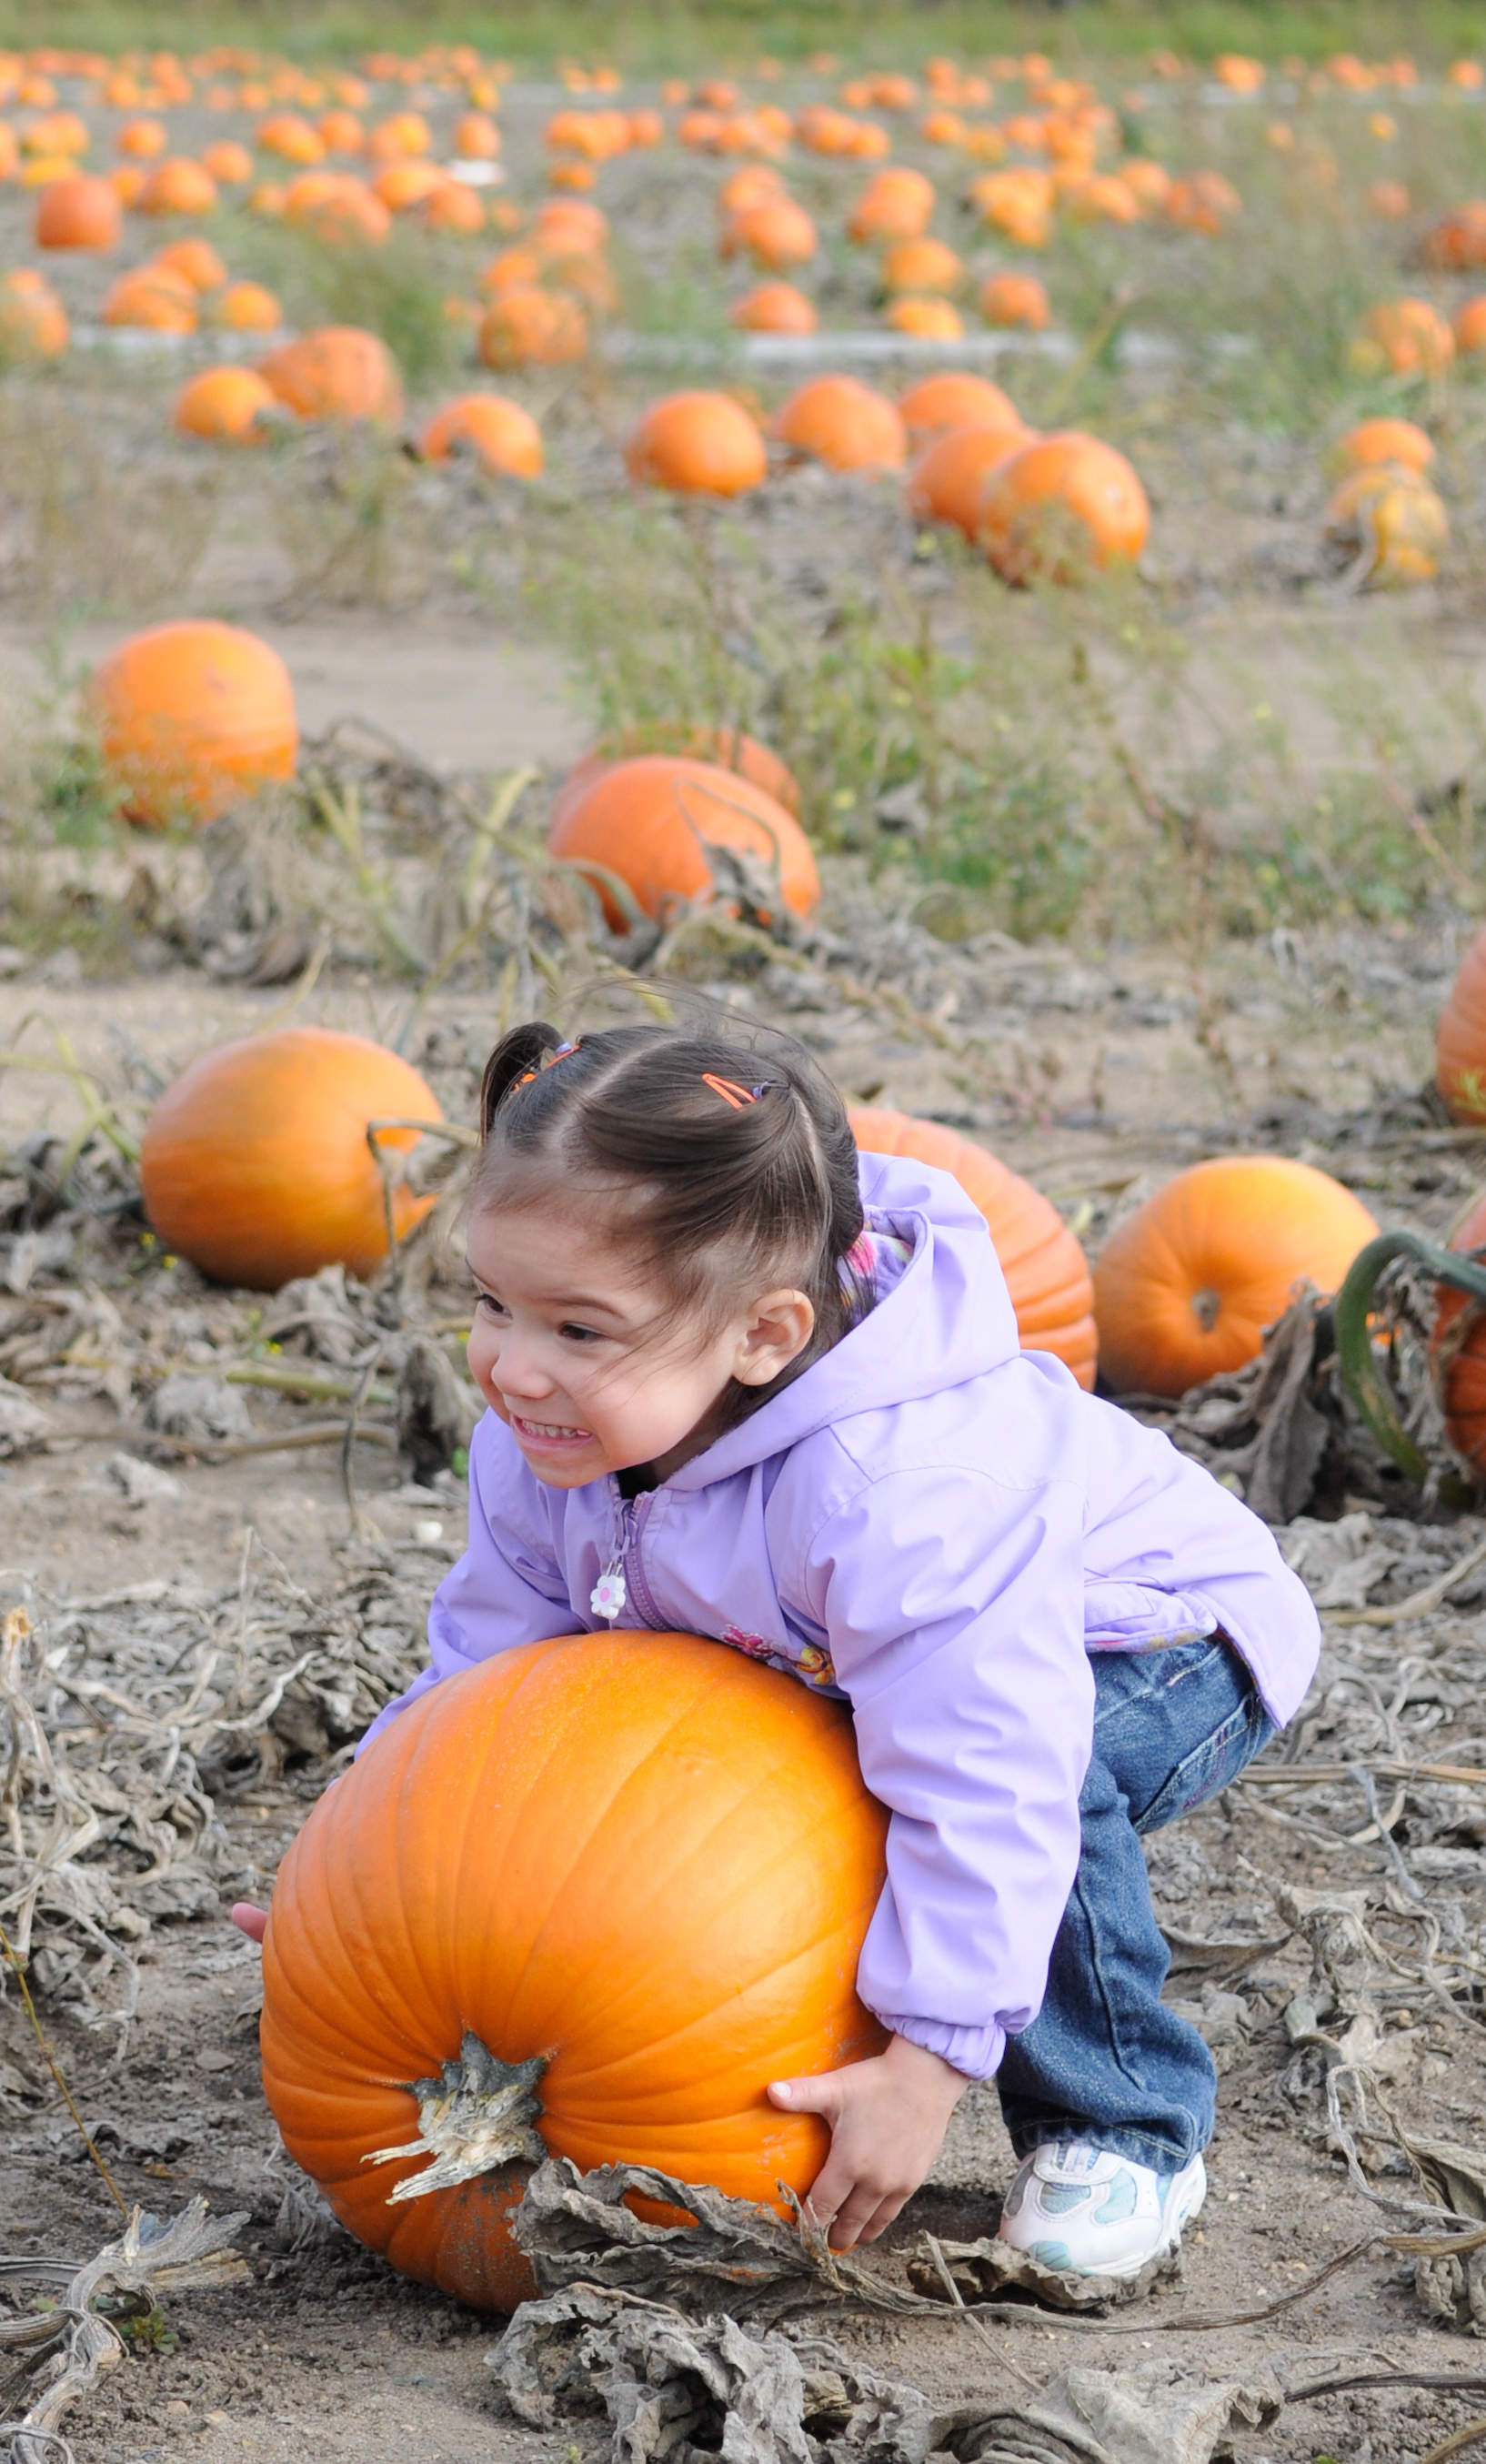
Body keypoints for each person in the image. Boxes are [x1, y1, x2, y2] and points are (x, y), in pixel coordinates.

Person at [239, 1015, 1320, 2281]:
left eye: (577, 1329)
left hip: (1155, 1633)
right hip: (843, 1651)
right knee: (858, 1760)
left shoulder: (892, 1492)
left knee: (1017, 1783)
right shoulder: (552, 1439)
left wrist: (925, 2061)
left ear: (762, 1334)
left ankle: (1119, 2121)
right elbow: (489, 1677)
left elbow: (990, 1773)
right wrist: (366, 1878)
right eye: (491, 1302)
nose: (511, 1367)